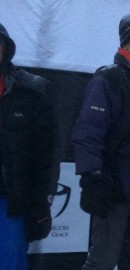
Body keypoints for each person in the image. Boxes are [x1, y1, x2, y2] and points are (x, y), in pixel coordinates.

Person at [71, 12, 130, 270]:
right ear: (125, 43)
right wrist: (92, 176)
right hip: (114, 187)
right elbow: (88, 131)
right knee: (102, 261)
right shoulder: (108, 79)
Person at [0, 22, 58, 270]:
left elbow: (46, 156)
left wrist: (39, 204)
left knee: (10, 261)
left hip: (10, 201)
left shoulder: (31, 90)